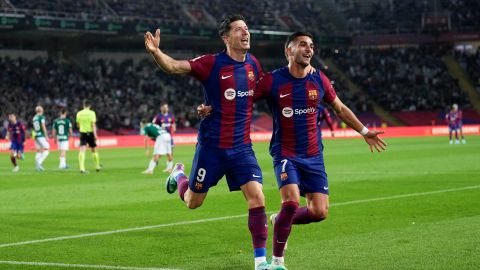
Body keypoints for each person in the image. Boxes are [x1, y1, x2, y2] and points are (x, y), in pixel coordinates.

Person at [201, 31, 387, 269]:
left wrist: (364, 131)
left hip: (313, 155)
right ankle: (278, 261)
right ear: (288, 51)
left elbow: (339, 108)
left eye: (311, 45)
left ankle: (278, 220)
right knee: (290, 202)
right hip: (285, 153)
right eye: (302, 45)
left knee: (319, 212)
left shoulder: (319, 80)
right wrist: (210, 107)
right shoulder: (272, 80)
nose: (309, 49)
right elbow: (241, 98)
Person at [144, 14, 270, 270]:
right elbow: (174, 67)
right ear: (226, 38)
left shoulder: (254, 65)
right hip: (212, 148)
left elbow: (250, 95)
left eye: (247, 29)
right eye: (239, 30)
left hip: (242, 148)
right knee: (193, 202)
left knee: (257, 197)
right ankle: (179, 175)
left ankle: (260, 262)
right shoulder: (212, 64)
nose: (246, 33)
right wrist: (157, 52)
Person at [76, 99, 101, 173]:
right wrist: (95, 135)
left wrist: (82, 127)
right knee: (94, 149)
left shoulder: (79, 113)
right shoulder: (92, 113)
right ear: (89, 105)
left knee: (82, 150)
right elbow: (93, 125)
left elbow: (78, 124)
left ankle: (82, 168)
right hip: (90, 133)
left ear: (83, 105)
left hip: (82, 133)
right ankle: (97, 166)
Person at [152, 103, 176, 172]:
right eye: (164, 107)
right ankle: (155, 163)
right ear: (161, 108)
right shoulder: (158, 117)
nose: (166, 108)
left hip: (169, 137)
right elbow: (153, 125)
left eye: (167, 107)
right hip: (161, 138)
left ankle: (169, 168)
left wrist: (174, 128)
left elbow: (173, 123)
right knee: (159, 153)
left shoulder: (171, 116)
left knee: (170, 152)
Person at [32, 105, 50, 171]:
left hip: (36, 135)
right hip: (41, 135)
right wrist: (46, 135)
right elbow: (43, 126)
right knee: (47, 149)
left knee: (39, 150)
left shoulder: (34, 118)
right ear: (41, 110)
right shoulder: (41, 117)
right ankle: (39, 163)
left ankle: (37, 166)